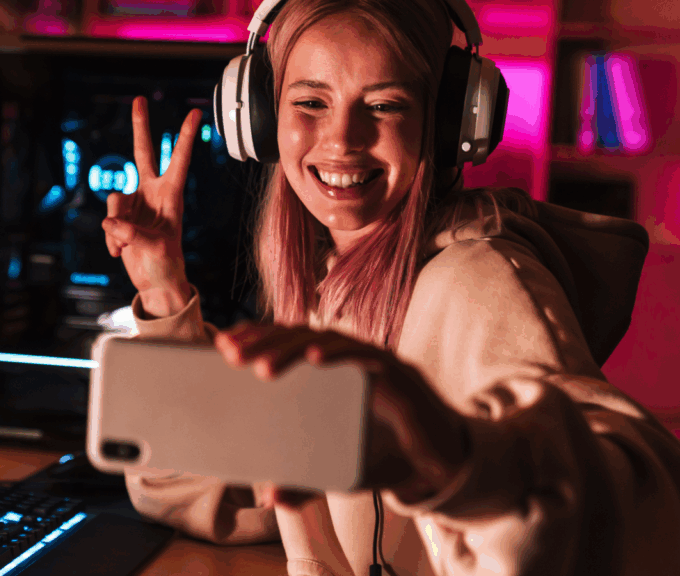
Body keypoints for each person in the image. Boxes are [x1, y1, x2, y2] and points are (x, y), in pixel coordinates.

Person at [101, 0, 680, 574]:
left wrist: (454, 463)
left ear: (452, 121)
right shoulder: (328, 286)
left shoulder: (478, 281)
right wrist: (163, 290)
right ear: (259, 116)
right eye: (309, 101)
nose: (342, 139)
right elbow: (207, 489)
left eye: (383, 104)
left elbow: (640, 505)